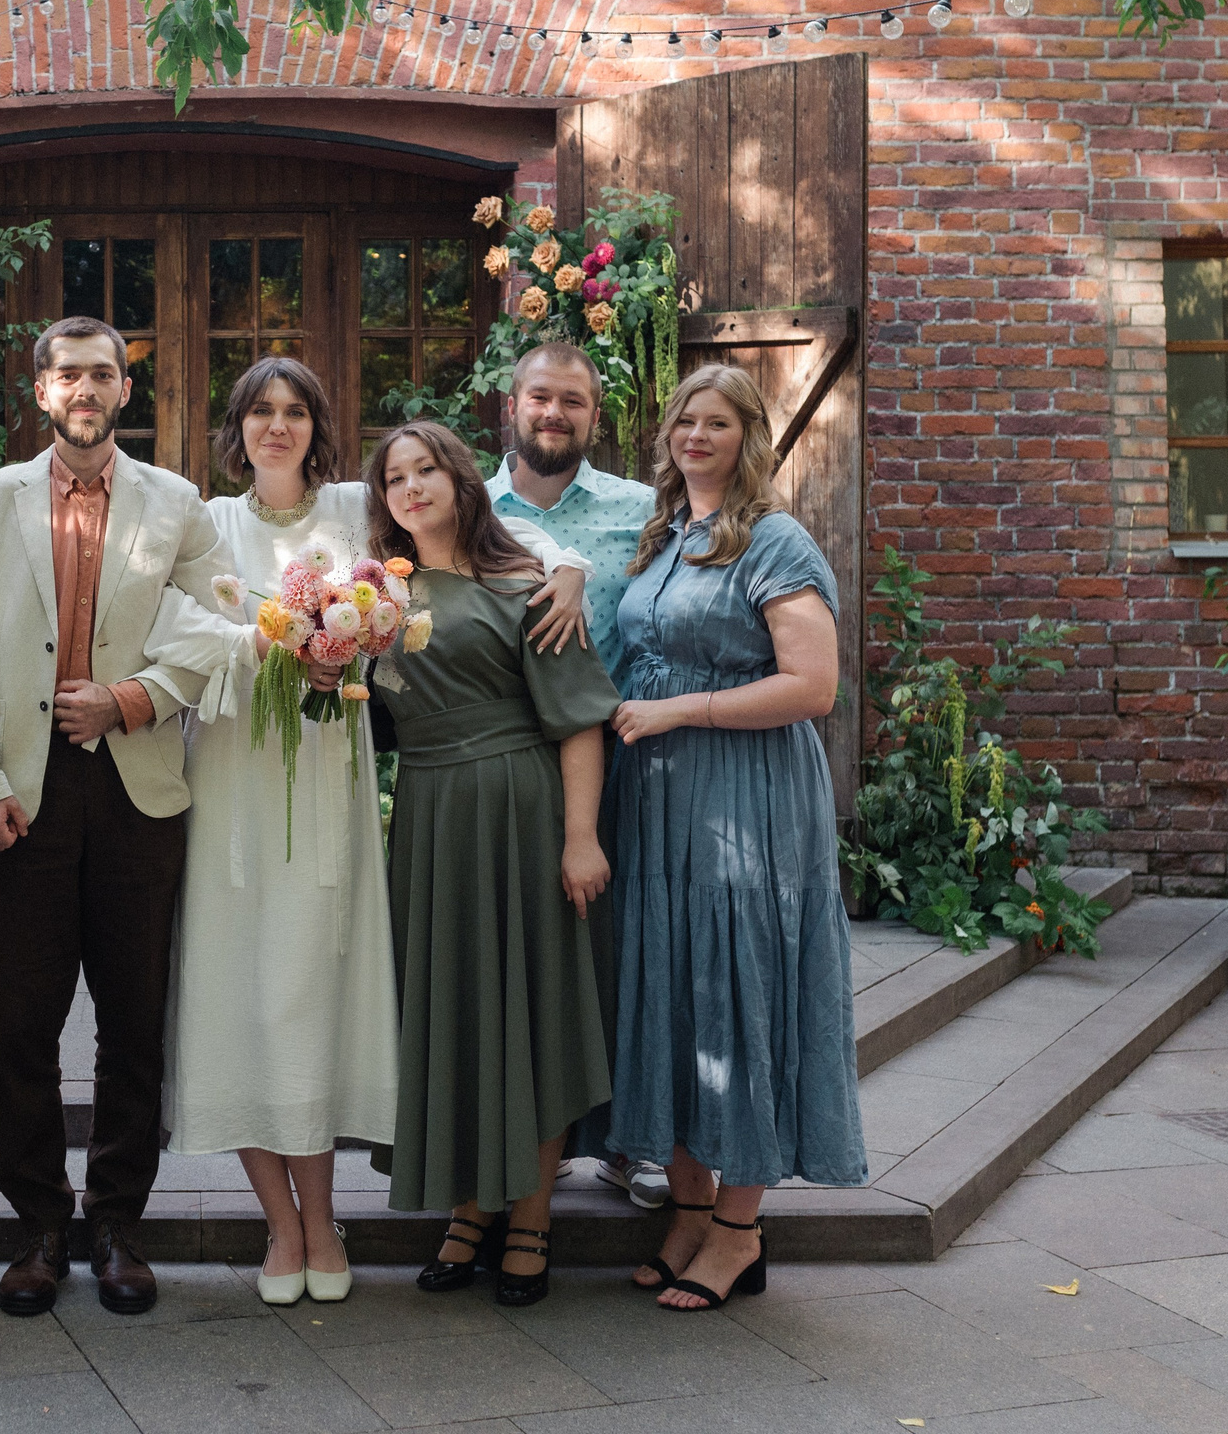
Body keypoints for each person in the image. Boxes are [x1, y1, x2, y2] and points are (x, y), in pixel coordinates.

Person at [167, 357, 593, 1306]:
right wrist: (267, 642)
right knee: (236, 994)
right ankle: (285, 1229)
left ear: (318, 428)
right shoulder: (206, 521)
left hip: (332, 784)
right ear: (235, 429)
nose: (277, 427)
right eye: (259, 411)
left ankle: (330, 1219)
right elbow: (176, 633)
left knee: (319, 994)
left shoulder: (357, 507)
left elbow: (474, 524)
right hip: (236, 776)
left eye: (295, 410)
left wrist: (569, 565)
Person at [0, 315, 241, 1319]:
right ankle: (35, 1226)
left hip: (136, 784)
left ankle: (117, 1222)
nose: (85, 387)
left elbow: (217, 630)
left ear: (124, 389)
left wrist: (134, 697)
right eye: (67, 372)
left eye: (102, 373)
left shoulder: (177, 503)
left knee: (132, 1020)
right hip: (20, 794)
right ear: (39, 390)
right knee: (23, 1021)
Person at [605, 363, 864, 1312]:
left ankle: (740, 1231)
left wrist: (684, 714)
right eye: (683, 420)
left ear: (748, 437)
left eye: (716, 423)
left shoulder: (774, 539)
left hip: (745, 799)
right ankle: (686, 1209)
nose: (694, 436)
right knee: (672, 989)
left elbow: (813, 686)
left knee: (738, 984)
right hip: (657, 801)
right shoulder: (665, 534)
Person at [366, 420, 622, 1308]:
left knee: (532, 1005)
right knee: (460, 1006)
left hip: (519, 806)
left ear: (461, 479)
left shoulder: (528, 584)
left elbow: (580, 718)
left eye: (425, 468)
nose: (410, 487)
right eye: (395, 477)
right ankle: (470, 1207)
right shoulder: (374, 598)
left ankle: (533, 1216)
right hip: (431, 821)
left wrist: (580, 835)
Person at [483, 342, 671, 1213]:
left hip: (630, 758)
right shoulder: (467, 508)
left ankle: (635, 1139)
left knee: (631, 955)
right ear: (510, 406)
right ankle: (545, 1131)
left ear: (596, 416)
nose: (554, 414)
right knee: (536, 963)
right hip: (510, 767)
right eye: (540, 398)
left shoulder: (643, 512)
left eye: (574, 402)